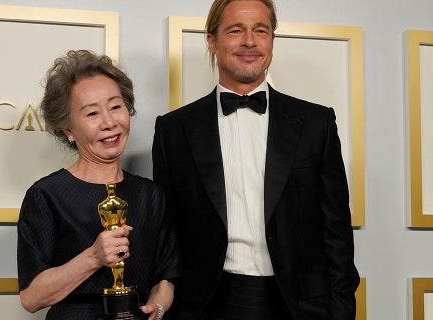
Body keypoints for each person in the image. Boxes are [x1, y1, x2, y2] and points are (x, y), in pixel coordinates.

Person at [151, 0, 359, 319]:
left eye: (260, 30)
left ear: (271, 40)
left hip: (302, 305)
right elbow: (167, 234)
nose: (249, 41)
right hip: (207, 304)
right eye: (236, 30)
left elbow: (336, 229)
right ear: (212, 39)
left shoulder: (316, 123)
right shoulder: (173, 130)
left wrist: (341, 309)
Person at [18, 50, 180, 320]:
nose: (109, 123)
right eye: (92, 113)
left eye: (116, 107)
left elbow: (167, 275)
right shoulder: (46, 195)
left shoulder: (151, 195)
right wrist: (93, 256)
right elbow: (31, 298)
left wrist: (158, 307)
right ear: (68, 129)